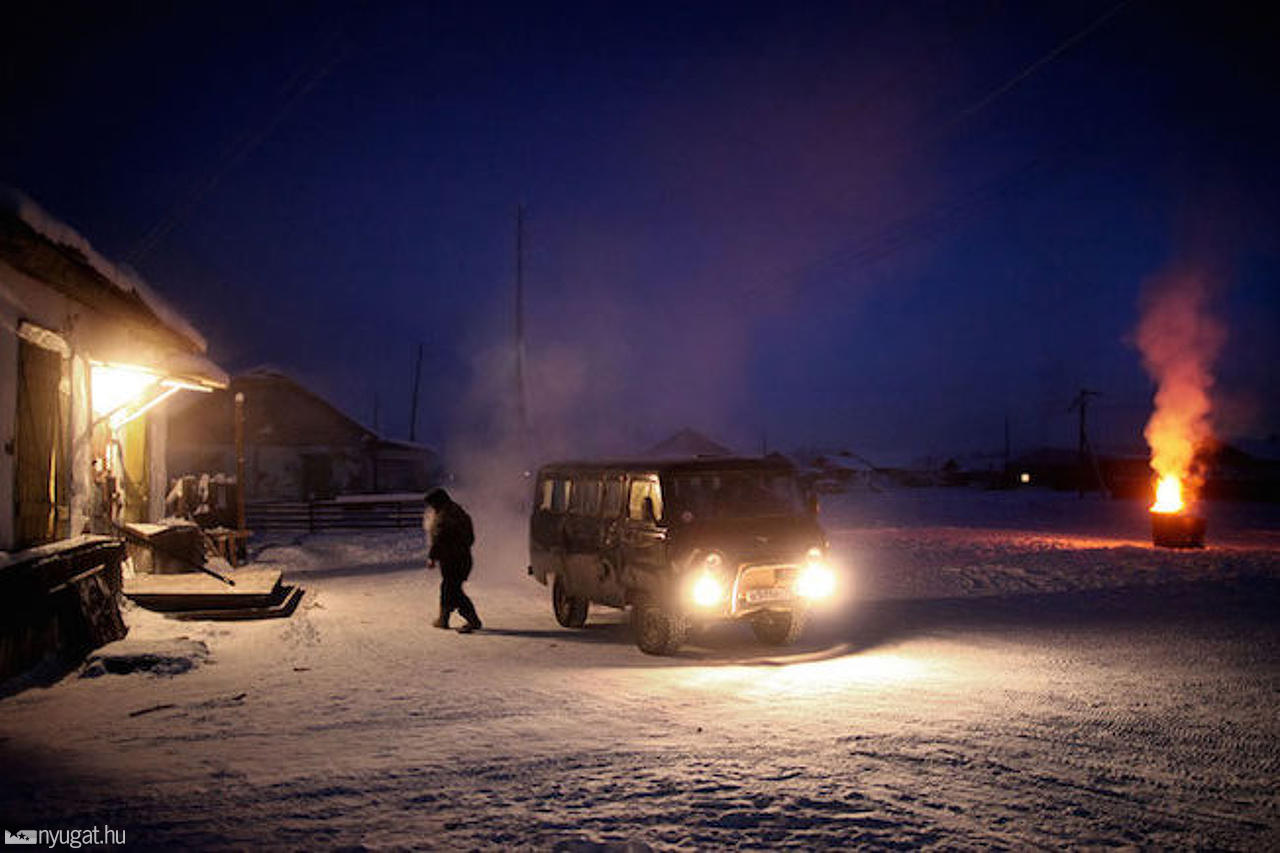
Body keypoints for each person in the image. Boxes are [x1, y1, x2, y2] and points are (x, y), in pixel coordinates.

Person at [423, 488, 482, 633]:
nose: (430, 508)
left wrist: (432, 557)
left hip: (453, 559)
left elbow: (439, 538)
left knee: (452, 590)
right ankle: (443, 619)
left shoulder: (445, 516)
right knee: (449, 588)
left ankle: (472, 620)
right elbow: (470, 538)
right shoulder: (457, 512)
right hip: (461, 558)